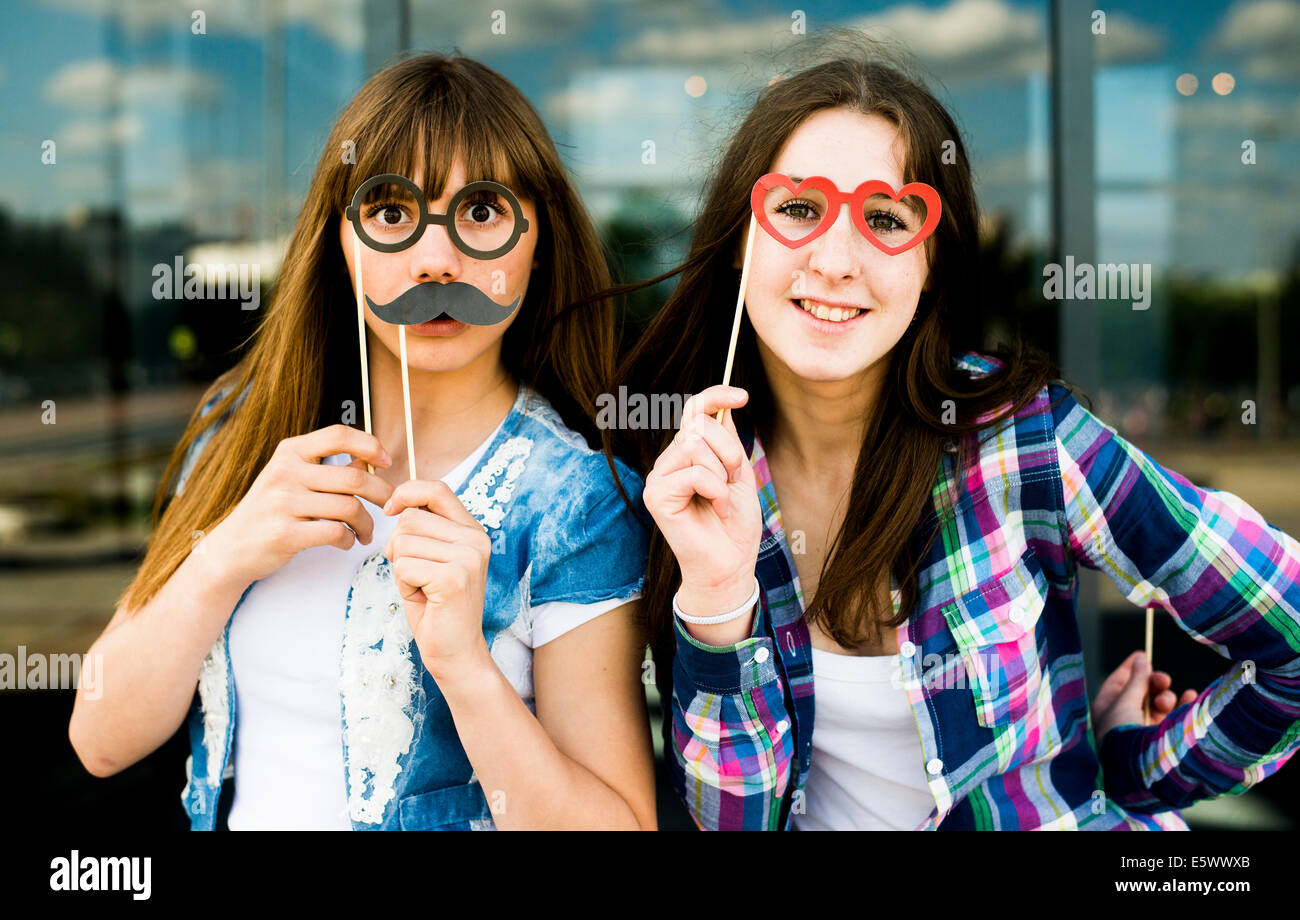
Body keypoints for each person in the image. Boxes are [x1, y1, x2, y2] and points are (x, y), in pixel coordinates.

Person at [611, 50, 1300, 830]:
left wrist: (1127, 775)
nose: (835, 261)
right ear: (742, 238)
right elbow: (734, 820)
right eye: (799, 209)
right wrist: (716, 597)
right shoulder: (683, 477)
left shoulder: (1026, 440)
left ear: (932, 262)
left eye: (886, 219)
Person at [68, 54, 656, 831]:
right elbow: (100, 742)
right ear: (340, 247)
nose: (438, 259)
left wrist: (462, 665)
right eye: (390, 214)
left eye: (482, 212)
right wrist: (226, 552)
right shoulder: (239, 436)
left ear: (538, 242)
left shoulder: (577, 504)